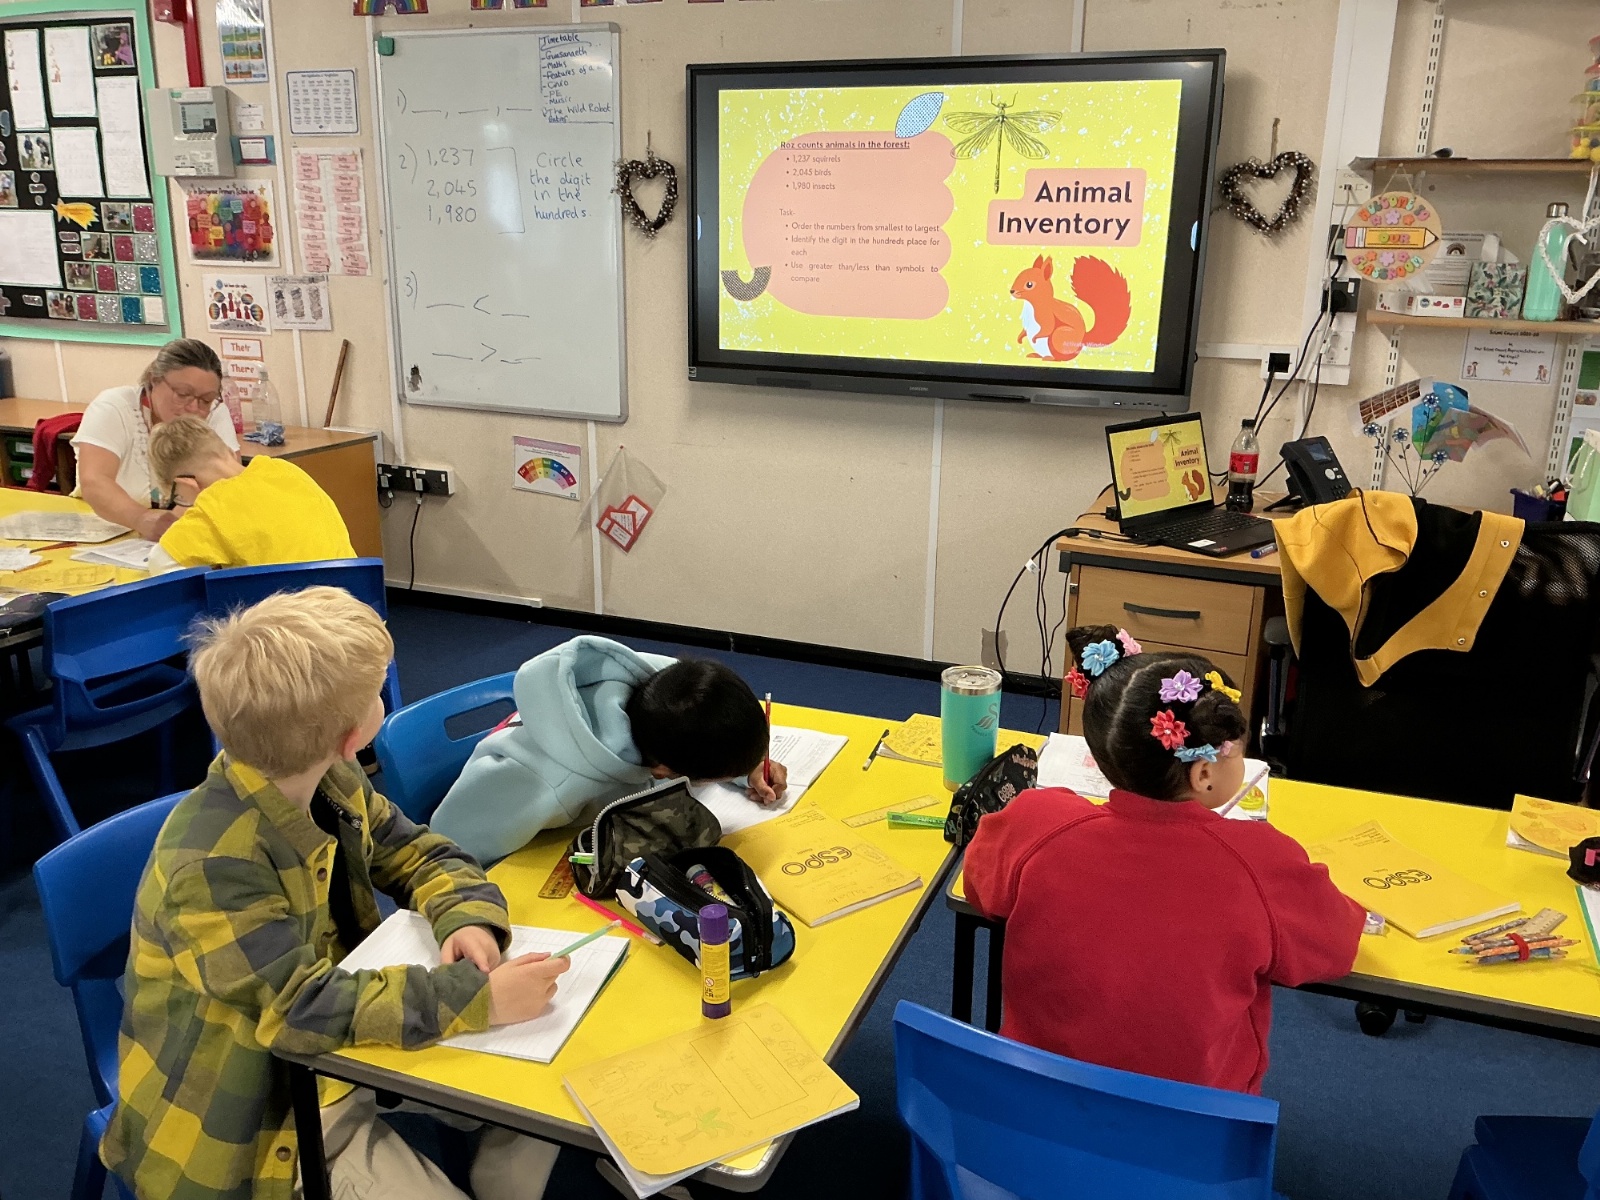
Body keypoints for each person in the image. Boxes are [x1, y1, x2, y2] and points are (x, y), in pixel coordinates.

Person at [101, 588, 568, 1200]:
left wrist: (464, 918)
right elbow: (301, 1010)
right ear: (351, 736)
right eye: (376, 694)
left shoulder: (331, 779)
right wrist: (473, 999)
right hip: (260, 1119)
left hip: (334, 1053)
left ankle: (499, 1171)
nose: (382, 700)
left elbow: (422, 853)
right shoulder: (214, 866)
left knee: (552, 1072)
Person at [963, 624, 1363, 1095]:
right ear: (1204, 774)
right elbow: (1337, 945)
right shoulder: (1261, 862)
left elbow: (979, 885)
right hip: (1188, 1127)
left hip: (1031, 1108)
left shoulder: (1037, 823)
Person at [430, 637, 788, 864]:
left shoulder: (668, 688)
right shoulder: (540, 781)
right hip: (496, 823)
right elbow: (448, 847)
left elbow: (705, 729)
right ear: (663, 771)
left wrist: (749, 767)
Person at [73, 338, 239, 542]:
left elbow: (229, 482)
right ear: (154, 379)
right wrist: (141, 519)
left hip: (185, 533)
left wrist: (174, 524)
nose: (194, 408)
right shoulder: (114, 407)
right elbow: (95, 481)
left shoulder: (215, 413)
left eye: (206, 400)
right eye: (183, 394)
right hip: (111, 530)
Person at [144, 414, 353, 572]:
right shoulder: (283, 470)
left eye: (179, 498)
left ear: (185, 485)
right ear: (228, 452)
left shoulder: (215, 506)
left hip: (296, 615)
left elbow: (159, 562)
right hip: (356, 609)